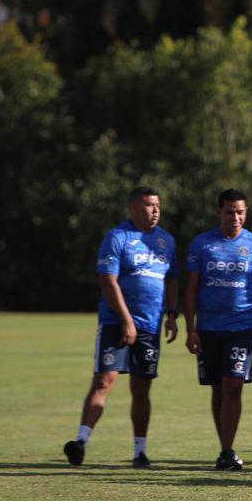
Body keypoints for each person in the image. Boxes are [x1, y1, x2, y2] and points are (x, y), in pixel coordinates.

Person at [64, 186, 178, 468]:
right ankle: (80, 442)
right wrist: (127, 320)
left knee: (141, 389)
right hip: (117, 323)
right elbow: (108, 281)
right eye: (149, 206)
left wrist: (173, 314)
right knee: (105, 381)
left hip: (150, 325)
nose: (155, 211)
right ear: (133, 208)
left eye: (158, 206)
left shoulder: (166, 241)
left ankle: (140, 451)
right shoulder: (117, 238)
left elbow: (173, 280)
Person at [184, 189, 252, 470]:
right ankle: (225, 448)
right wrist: (190, 328)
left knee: (233, 385)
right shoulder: (202, 244)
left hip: (243, 326)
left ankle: (227, 449)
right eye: (229, 212)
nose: (235, 217)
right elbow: (191, 288)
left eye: (240, 212)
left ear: (246, 213)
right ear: (219, 212)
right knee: (217, 389)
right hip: (209, 327)